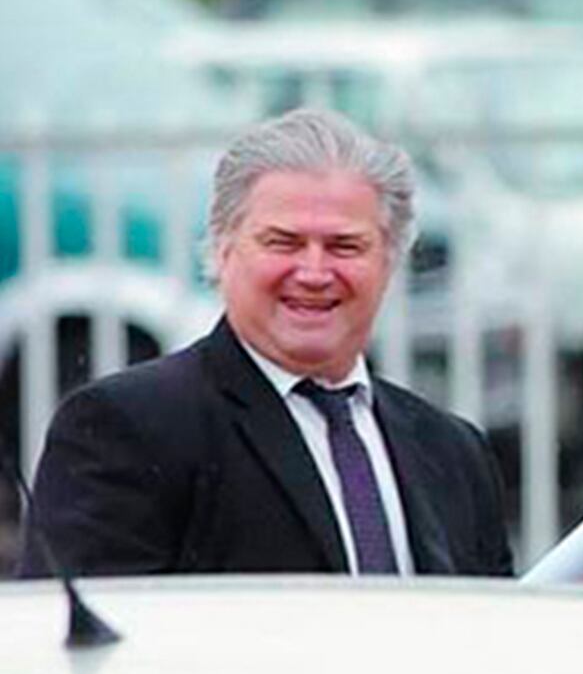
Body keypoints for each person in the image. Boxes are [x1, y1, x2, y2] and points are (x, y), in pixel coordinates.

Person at [19, 108, 512, 578]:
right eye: (283, 242)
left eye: (345, 246)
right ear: (222, 249)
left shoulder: (453, 451)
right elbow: (83, 648)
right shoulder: (126, 429)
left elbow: (487, 639)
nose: (315, 273)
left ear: (390, 260)